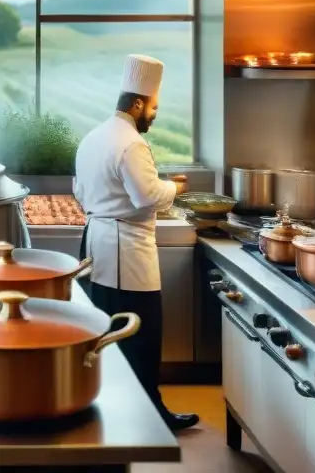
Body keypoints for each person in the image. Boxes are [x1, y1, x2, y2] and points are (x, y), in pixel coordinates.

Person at [74, 54, 199, 433]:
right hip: (125, 249)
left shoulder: (93, 136)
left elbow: (79, 191)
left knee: (104, 331)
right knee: (141, 332)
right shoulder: (131, 143)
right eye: (154, 107)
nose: (155, 116)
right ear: (138, 103)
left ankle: (109, 404)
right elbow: (147, 196)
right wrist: (173, 187)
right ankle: (149, 413)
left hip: (97, 242)